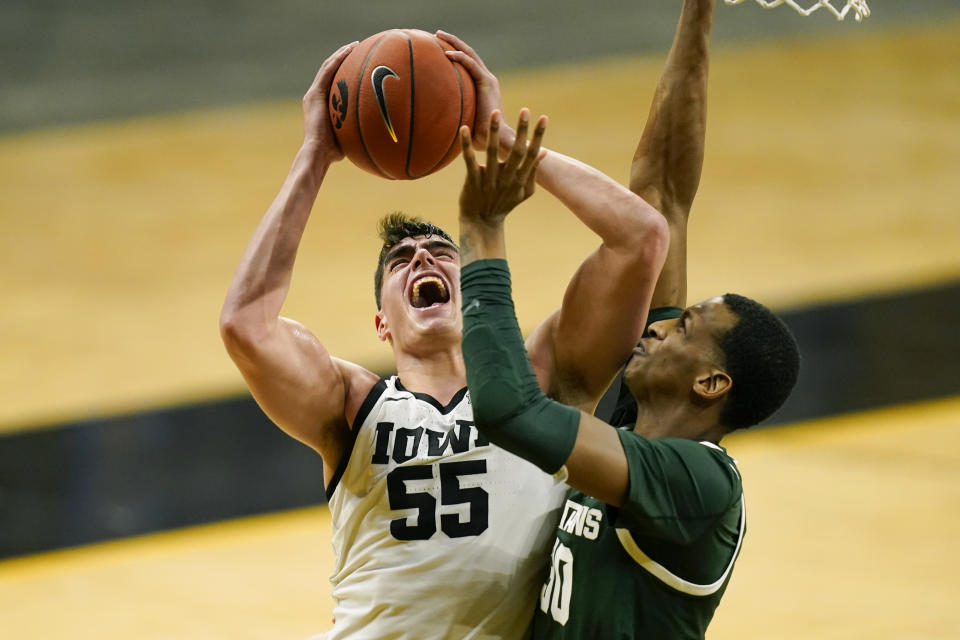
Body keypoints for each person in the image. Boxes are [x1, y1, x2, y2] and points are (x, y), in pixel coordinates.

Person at [219, 33, 668, 640]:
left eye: (440, 253)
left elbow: (642, 238)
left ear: (471, 275)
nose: (423, 262)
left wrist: (507, 145)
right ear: (382, 321)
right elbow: (245, 323)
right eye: (401, 261)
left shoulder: (544, 380)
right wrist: (314, 155)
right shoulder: (352, 405)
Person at [458, 1, 801, 638]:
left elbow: (509, 409)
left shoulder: (700, 485)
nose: (658, 323)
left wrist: (483, 230)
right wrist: (699, 14)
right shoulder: (635, 436)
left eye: (684, 327)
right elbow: (663, 194)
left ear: (710, 384)